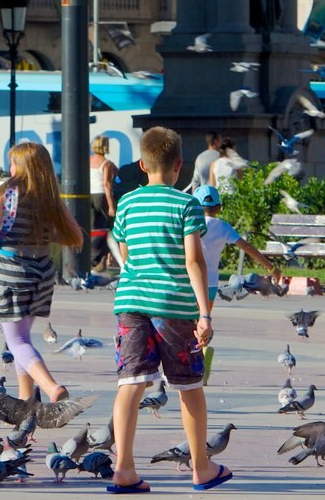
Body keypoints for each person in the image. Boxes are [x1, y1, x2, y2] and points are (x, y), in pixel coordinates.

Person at [108, 127, 233, 493]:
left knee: (130, 383)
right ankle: (200, 467)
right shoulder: (186, 204)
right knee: (189, 386)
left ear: (143, 164)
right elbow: (194, 260)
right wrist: (204, 313)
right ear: (179, 165)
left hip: (130, 302)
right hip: (173, 306)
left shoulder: (128, 203)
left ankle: (124, 469)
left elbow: (126, 254)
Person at [0, 142, 84, 402]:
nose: (10, 168)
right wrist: (42, 234)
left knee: (16, 342)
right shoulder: (51, 201)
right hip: (43, 274)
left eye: (12, 163)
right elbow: (75, 235)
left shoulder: (7, 195)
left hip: (14, 272)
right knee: (23, 339)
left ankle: (50, 387)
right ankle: (26, 402)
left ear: (21, 166)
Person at [193, 185, 281, 306]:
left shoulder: (191, 224)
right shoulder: (224, 227)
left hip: (190, 282)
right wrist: (272, 268)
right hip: (210, 283)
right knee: (203, 320)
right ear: (219, 208)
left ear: (195, 207)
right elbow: (247, 248)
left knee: (187, 321)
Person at [89, 135, 117, 272]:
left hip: (89, 196)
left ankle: (93, 258)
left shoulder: (88, 161)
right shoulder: (106, 163)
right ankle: (102, 259)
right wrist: (111, 206)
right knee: (107, 228)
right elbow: (107, 184)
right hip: (101, 197)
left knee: (93, 229)